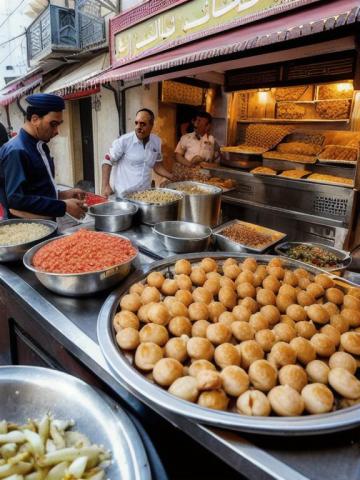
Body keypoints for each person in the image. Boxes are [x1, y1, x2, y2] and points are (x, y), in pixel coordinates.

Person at [0, 93, 86, 219]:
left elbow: (36, 190)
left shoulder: (39, 145)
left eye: (58, 124)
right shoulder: (16, 151)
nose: (57, 131)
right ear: (35, 119)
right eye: (53, 124)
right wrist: (63, 206)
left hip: (46, 225)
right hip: (28, 232)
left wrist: (62, 195)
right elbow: (17, 200)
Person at [101, 108, 173, 198]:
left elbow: (157, 165)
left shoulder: (156, 142)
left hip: (144, 195)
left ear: (151, 125)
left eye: (143, 124)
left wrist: (171, 176)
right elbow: (107, 160)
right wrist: (105, 186)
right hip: (123, 196)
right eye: (136, 123)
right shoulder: (124, 141)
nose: (138, 127)